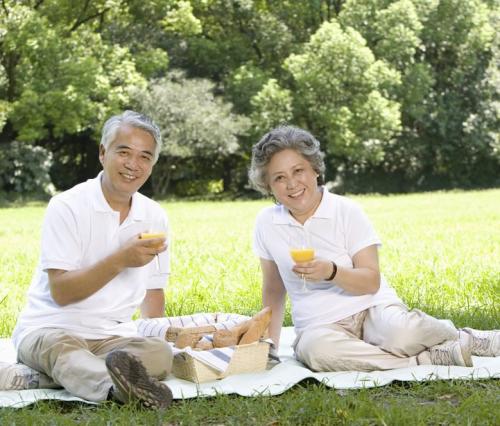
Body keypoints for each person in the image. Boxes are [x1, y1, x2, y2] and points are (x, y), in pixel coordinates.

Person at [248, 125, 499, 372]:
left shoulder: (346, 211)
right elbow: (274, 287)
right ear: (268, 186)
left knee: (404, 334)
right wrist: (269, 346)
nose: (291, 184)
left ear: (314, 169)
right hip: (319, 325)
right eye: (279, 177)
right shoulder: (266, 223)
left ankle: (463, 337)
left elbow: (370, 282)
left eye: (298, 170)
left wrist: (332, 271)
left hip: (371, 308)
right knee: (317, 352)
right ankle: (425, 359)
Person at [10, 110, 173, 409]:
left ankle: (60, 375)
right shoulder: (67, 206)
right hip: (52, 329)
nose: (133, 165)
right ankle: (115, 388)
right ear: (102, 153)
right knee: (62, 351)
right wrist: (121, 259)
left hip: (111, 340)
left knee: (161, 354)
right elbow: (61, 293)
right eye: (123, 152)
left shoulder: (155, 215)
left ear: (152, 164)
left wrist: (156, 332)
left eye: (144, 157)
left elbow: (153, 291)